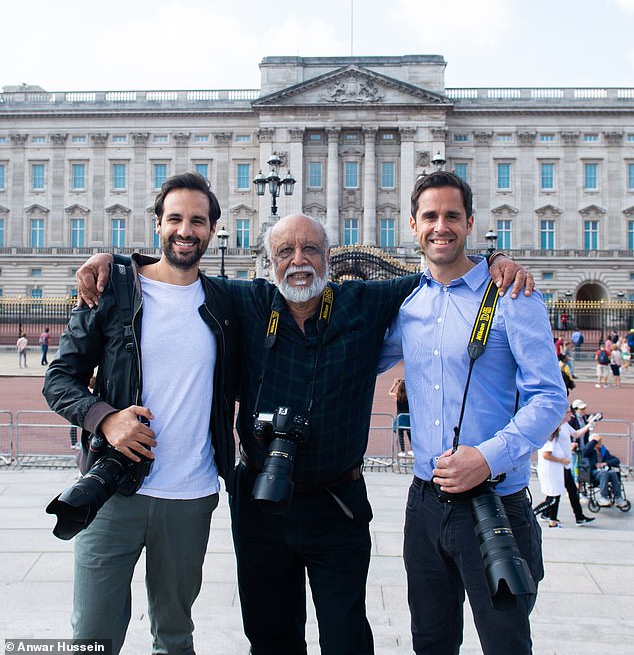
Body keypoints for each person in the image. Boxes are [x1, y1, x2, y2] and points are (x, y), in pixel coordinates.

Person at [75, 212, 531, 655]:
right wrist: (115, 263)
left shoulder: (366, 302)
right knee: (270, 635)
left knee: (346, 636)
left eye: (311, 249)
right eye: (286, 251)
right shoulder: (245, 301)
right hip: (260, 503)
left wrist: (494, 261)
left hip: (337, 506)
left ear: (328, 257)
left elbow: (443, 274)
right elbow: (175, 270)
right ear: (269, 260)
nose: (299, 260)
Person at [43, 172, 238, 655]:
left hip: (190, 496)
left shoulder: (229, 302)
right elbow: (58, 380)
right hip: (111, 492)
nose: (185, 230)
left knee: (174, 638)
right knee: (91, 637)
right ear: (157, 225)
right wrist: (106, 417)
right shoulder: (113, 291)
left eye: (197, 220)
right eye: (175, 218)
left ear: (212, 230)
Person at [379, 170, 568, 655]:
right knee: (431, 643)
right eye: (430, 216)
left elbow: (548, 397)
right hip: (424, 504)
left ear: (470, 223)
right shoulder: (408, 304)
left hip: (495, 503)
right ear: (412, 225)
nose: (441, 226)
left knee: (505, 645)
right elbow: (351, 358)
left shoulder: (511, 294)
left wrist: (486, 457)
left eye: (452, 216)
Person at [583, 434, 627, 508]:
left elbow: (616, 460)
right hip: (593, 473)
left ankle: (618, 497)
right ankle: (604, 497)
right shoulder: (589, 451)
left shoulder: (603, 451)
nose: (601, 443)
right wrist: (594, 440)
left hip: (604, 472)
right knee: (604, 473)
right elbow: (586, 451)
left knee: (612, 472)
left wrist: (605, 463)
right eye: (599, 441)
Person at [389, 377, 412, 457]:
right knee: (410, 434)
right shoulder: (409, 397)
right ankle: (412, 450)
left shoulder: (397, 396)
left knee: (400, 435)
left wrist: (395, 384)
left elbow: (389, 392)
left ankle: (402, 451)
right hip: (408, 418)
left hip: (400, 418)